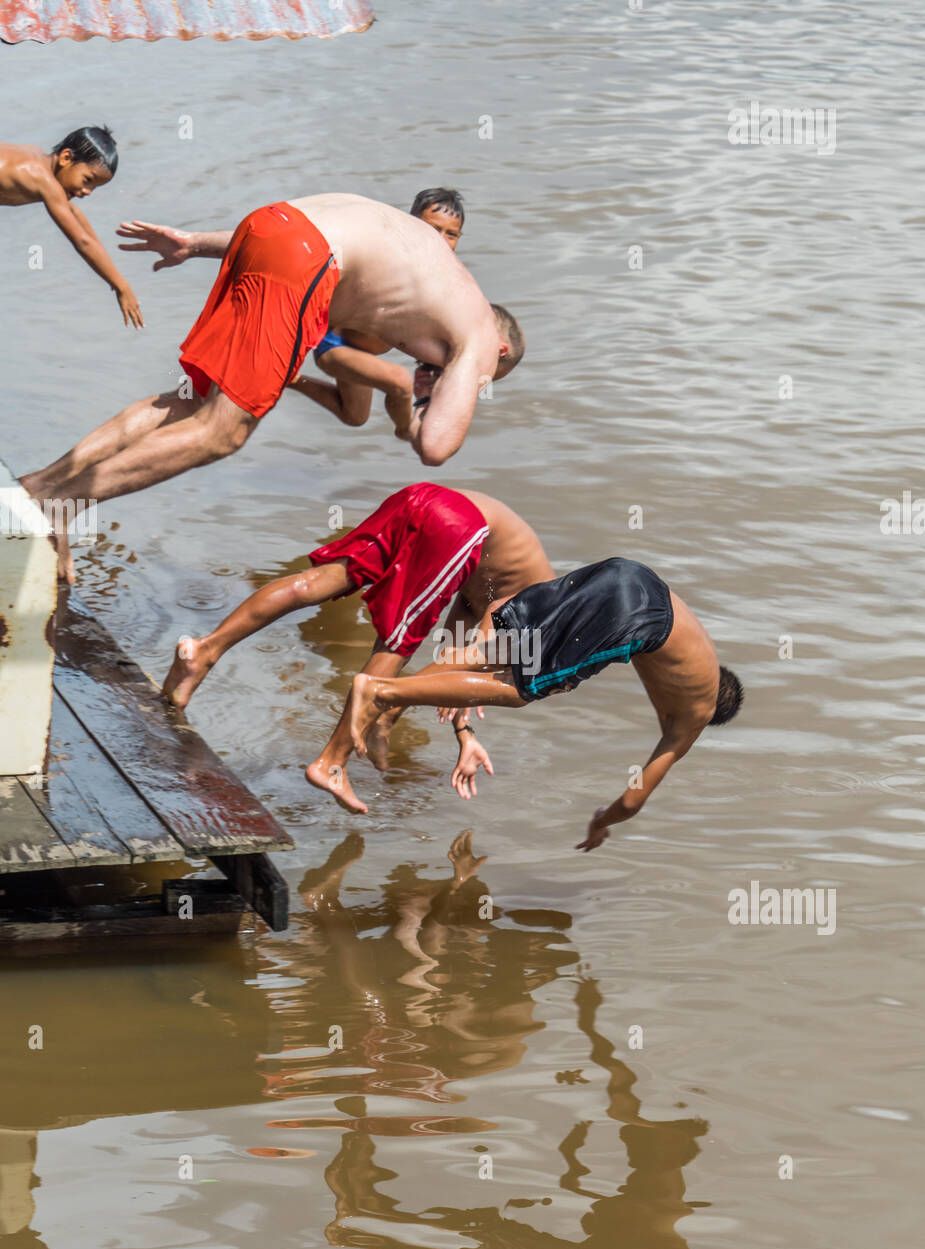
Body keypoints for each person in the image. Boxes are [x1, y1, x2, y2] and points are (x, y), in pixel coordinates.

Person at [20, 192, 525, 580]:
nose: (464, 378)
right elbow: (435, 447)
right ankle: (57, 503)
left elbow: (301, 232)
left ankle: (39, 487)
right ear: (499, 352)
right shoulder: (481, 334)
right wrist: (430, 397)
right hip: (307, 261)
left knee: (190, 401)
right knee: (224, 431)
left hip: (271, 228)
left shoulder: (434, 271)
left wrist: (194, 244)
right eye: (484, 380)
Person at [162, 483, 553, 814]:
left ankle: (204, 651)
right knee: (399, 640)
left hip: (426, 498)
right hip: (457, 525)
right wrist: (465, 699)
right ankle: (331, 762)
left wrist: (463, 732)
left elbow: (456, 649)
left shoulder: (525, 592)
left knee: (320, 582)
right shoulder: (543, 617)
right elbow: (477, 659)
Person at [346, 557, 744, 850]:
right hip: (637, 616)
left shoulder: (700, 660)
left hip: (630, 574)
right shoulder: (697, 715)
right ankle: (382, 694)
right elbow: (632, 800)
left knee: (502, 650)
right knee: (523, 690)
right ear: (716, 715)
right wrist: (602, 822)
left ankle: (391, 702)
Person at [289, 187, 467, 434]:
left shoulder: (444, 277)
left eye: (451, 234)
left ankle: (292, 379)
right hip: (335, 346)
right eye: (432, 228)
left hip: (364, 353)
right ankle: (406, 432)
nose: (440, 239)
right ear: (409, 224)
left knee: (355, 416)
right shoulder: (387, 260)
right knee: (400, 383)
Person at [0, 127, 143, 328]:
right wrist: (122, 286)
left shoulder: (38, 159)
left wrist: (111, 271)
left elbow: (78, 220)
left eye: (94, 187)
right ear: (66, 158)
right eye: (87, 180)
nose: (87, 192)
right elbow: (82, 242)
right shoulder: (42, 180)